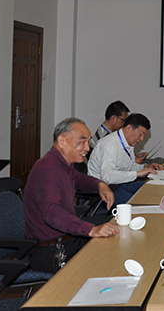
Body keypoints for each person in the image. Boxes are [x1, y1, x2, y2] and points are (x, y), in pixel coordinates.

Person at [24, 117, 119, 273]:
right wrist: (91, 230)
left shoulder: (61, 164)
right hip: (50, 250)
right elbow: (52, 213)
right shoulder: (48, 169)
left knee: (113, 239)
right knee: (106, 262)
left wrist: (100, 185)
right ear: (62, 141)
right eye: (82, 142)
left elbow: (78, 179)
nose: (87, 148)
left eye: (88, 142)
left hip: (66, 240)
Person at [88, 112, 164, 204]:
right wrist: (137, 174)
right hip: (106, 189)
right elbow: (107, 176)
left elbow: (129, 167)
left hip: (120, 184)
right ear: (128, 128)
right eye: (141, 134)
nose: (142, 139)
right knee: (143, 202)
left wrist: (146, 167)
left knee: (153, 189)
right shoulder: (110, 144)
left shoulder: (127, 142)